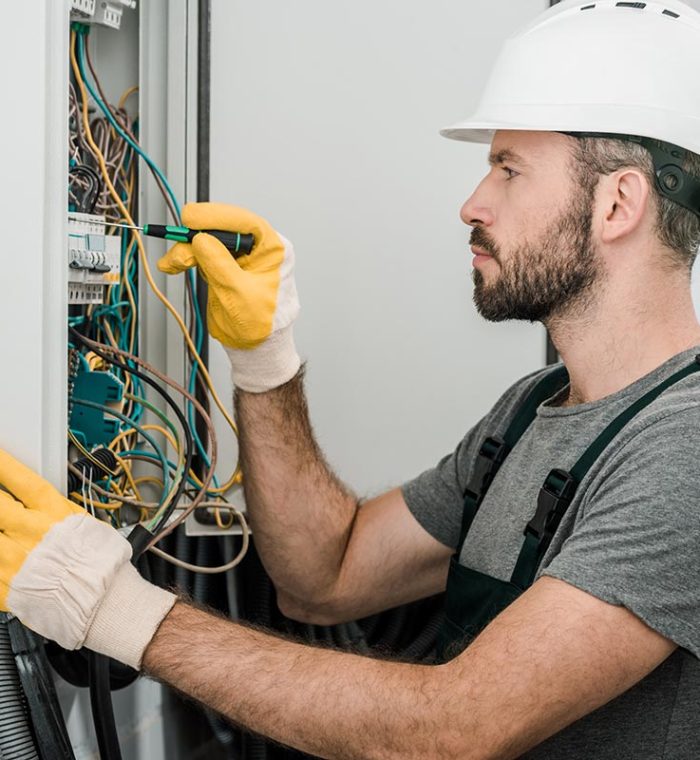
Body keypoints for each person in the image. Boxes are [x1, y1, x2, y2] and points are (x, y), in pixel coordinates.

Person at [2, 0, 700, 757]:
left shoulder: (682, 449)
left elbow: (454, 729)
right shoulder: (534, 410)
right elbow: (325, 573)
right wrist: (266, 361)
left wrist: (112, 609)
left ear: (618, 203)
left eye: (509, 168)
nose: (473, 203)